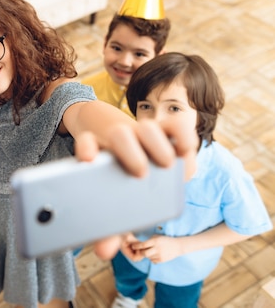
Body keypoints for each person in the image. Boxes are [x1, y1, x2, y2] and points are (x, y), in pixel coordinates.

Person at [0, 0, 196, 308]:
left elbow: (81, 110)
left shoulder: (50, 94)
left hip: (41, 240)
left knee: (47, 298)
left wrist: (129, 136)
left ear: (16, 33)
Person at [110, 52, 272, 308]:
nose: (156, 120)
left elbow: (244, 226)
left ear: (202, 114)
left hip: (186, 268)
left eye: (174, 108)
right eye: (146, 106)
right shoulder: (129, 153)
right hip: (131, 255)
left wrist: (180, 247)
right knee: (126, 281)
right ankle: (129, 297)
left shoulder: (226, 173)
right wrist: (122, 235)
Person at [83, 0, 170, 117]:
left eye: (139, 54)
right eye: (116, 48)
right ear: (105, 43)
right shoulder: (86, 91)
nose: (124, 61)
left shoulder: (166, 104)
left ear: (158, 58)